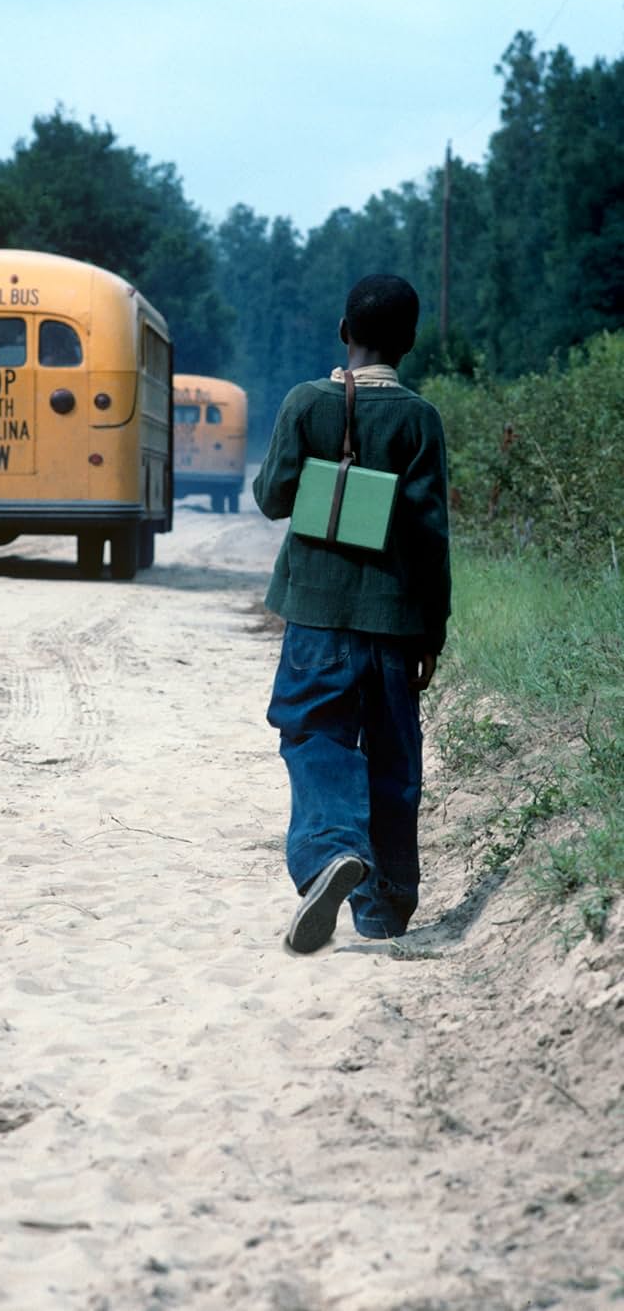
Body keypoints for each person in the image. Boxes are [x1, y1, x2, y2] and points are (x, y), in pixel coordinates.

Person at [253, 274, 450, 954]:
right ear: (411, 341)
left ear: (345, 331)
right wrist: (435, 628)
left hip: (317, 618)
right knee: (393, 755)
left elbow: (274, 498)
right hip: (396, 625)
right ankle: (385, 906)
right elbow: (430, 535)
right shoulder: (420, 419)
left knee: (313, 734)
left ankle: (332, 850)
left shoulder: (306, 402)